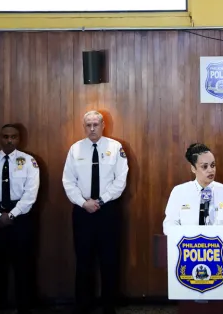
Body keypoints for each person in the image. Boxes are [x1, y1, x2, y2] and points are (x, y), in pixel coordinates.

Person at [62, 111, 130, 314]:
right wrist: (84, 203)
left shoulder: (115, 148)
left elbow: (121, 180)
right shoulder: (75, 149)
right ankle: (84, 304)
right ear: (84, 127)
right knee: (83, 260)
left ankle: (109, 305)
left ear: (103, 125)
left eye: (95, 124)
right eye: (88, 125)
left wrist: (100, 201)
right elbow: (68, 181)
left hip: (108, 210)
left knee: (109, 259)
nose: (92, 128)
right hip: (83, 212)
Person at [0, 123, 40, 314]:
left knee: (24, 266)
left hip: (21, 218)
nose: (9, 140)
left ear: (19, 139)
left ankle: (25, 307)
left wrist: (11, 215)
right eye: (5, 136)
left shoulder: (28, 162)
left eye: (13, 137)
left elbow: (30, 194)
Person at [164, 143, 223, 234]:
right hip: (188, 246)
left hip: (219, 246)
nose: (211, 170)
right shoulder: (179, 192)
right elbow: (169, 225)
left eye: (213, 165)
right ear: (193, 168)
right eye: (204, 166)